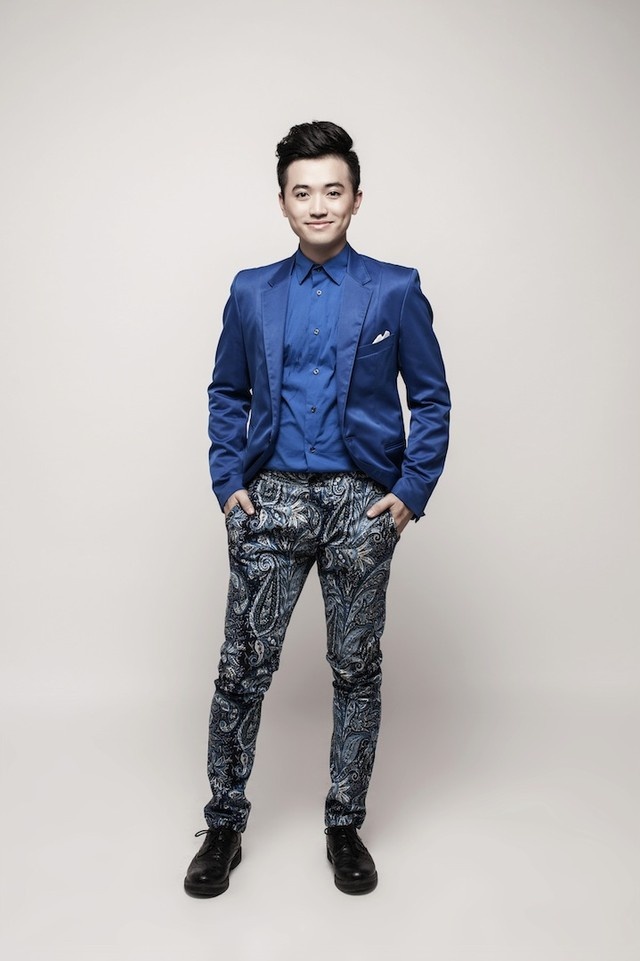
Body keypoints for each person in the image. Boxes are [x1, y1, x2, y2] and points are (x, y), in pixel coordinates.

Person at [184, 121, 450, 898]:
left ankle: (344, 824)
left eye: (333, 190)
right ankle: (224, 825)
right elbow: (226, 391)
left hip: (360, 503)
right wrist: (228, 483)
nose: (318, 204)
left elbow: (431, 398)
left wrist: (409, 493)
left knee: (357, 668)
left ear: (356, 198)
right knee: (241, 668)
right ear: (283, 203)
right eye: (303, 192)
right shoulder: (251, 291)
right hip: (269, 498)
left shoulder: (395, 289)